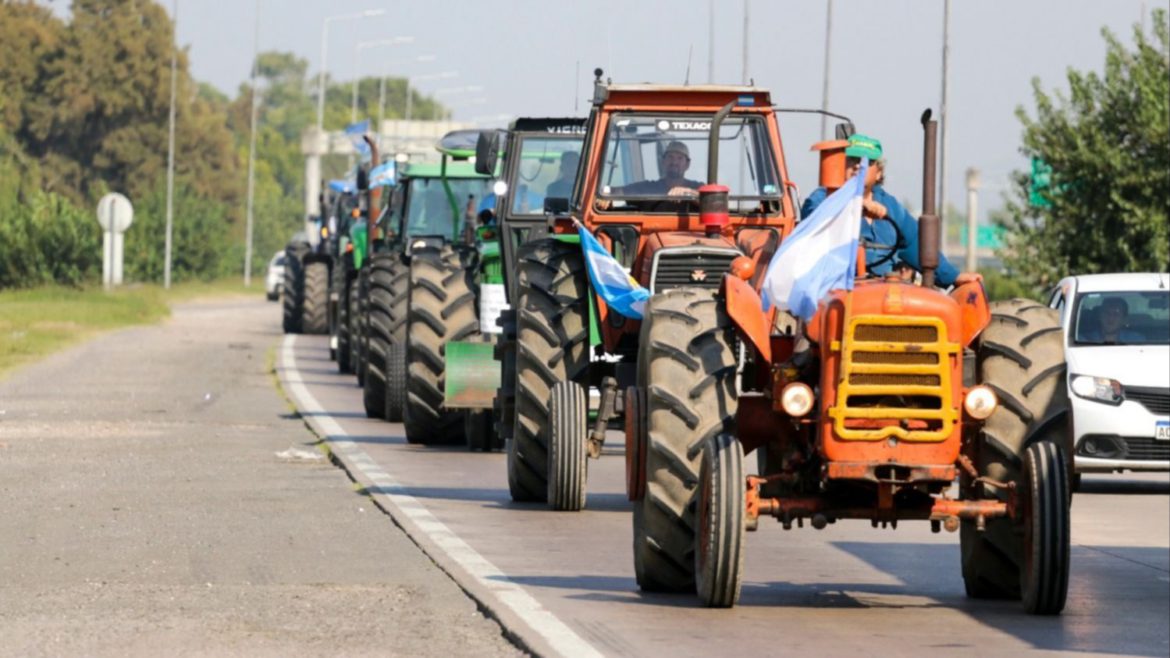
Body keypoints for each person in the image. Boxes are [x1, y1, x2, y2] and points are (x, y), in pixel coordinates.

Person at [801, 134, 960, 287]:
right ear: (841, 165)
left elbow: (916, 243)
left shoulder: (890, 206)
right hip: (837, 287)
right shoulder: (823, 197)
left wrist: (953, 277)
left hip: (884, 289)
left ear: (878, 173)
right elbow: (816, 218)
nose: (858, 166)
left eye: (867, 162)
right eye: (852, 160)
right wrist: (857, 205)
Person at [619, 140, 703, 196]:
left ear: (687, 164)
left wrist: (689, 193)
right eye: (670, 157)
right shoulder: (648, 188)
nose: (674, 162)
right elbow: (618, 192)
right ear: (663, 162)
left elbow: (710, 199)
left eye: (680, 158)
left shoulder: (697, 187)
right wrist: (610, 195)